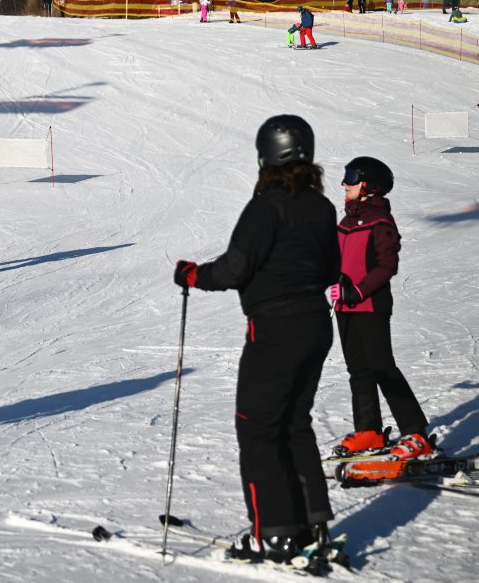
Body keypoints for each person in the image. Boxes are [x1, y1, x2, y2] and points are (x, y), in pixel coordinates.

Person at [173, 115, 339, 564]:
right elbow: (329, 270)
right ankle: (312, 524)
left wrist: (192, 274)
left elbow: (234, 269)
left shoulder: (266, 206)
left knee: (260, 429)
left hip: (275, 329)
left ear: (266, 155)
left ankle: (277, 534)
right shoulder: (321, 207)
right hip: (316, 324)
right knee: (295, 424)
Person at [330, 157, 433, 461]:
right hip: (344, 307)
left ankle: (416, 433)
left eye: (351, 177)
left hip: (370, 305)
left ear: (369, 186)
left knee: (382, 368)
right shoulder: (345, 222)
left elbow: (388, 265)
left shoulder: (381, 222)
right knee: (358, 371)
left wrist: (357, 290)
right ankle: (369, 431)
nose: (344, 183)